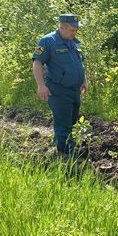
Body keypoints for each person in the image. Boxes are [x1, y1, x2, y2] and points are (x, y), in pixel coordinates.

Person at [32, 14, 88, 157]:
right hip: (58, 90)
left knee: (71, 120)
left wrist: (84, 79)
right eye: (72, 30)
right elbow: (37, 63)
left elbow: (79, 63)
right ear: (62, 27)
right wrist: (41, 85)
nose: (75, 32)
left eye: (76, 30)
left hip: (74, 90)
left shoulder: (74, 42)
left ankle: (57, 149)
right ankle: (69, 157)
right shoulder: (47, 41)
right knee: (64, 126)